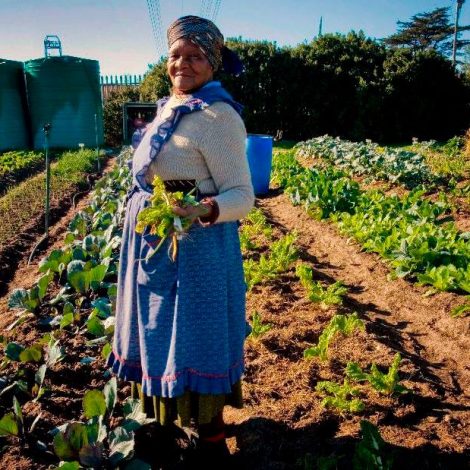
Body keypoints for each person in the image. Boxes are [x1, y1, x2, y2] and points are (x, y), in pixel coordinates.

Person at [107, 14, 254, 464]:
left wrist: (205, 209)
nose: (182, 64)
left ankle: (210, 439)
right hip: (154, 242)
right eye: (176, 56)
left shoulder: (219, 115)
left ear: (212, 63)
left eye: (194, 57)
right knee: (153, 332)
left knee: (195, 337)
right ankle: (160, 425)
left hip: (197, 248)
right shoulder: (170, 107)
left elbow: (243, 195)